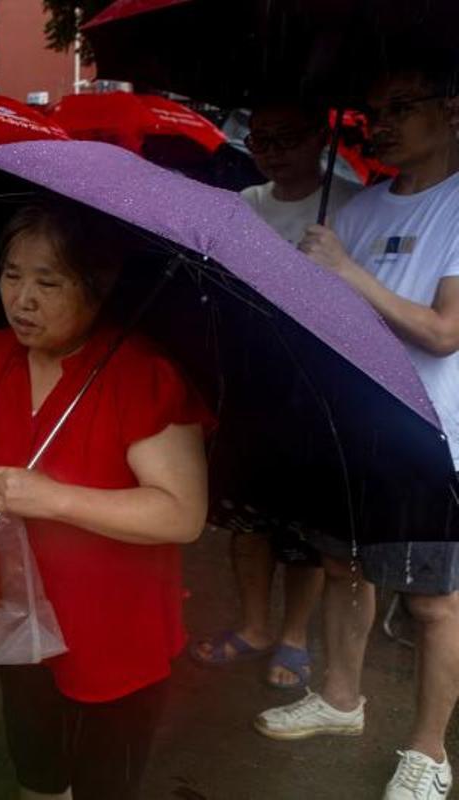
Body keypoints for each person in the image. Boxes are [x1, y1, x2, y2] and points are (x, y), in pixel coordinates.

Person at [0, 200, 213, 799]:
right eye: (11, 274)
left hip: (112, 627)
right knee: (37, 770)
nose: (22, 298)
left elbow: (182, 513)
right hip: (17, 611)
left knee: (106, 779)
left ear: (98, 289)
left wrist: (54, 499)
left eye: (48, 282)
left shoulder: (141, 376)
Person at [256, 53, 459, 800]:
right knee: (343, 569)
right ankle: (341, 698)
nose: (384, 124)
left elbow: (444, 331)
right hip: (350, 430)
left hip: (429, 436)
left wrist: (347, 274)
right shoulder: (359, 209)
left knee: (434, 601)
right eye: (376, 111)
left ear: (452, 109)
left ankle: (429, 752)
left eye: (403, 104)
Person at [191, 100, 360, 689]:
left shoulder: (349, 206)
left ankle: (293, 637)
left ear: (319, 134)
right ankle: (255, 625)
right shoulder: (243, 206)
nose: (272, 151)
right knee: (247, 521)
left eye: (287, 136)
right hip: (251, 387)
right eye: (261, 140)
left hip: (319, 397)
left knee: (307, 535)